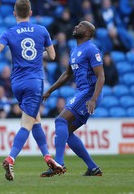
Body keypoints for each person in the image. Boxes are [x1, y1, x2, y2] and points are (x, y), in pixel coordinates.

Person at [0, 0, 59, 181]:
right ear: (30, 13)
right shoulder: (42, 30)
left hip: (17, 84)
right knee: (27, 123)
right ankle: (10, 158)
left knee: (35, 119)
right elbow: (52, 56)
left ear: (14, 13)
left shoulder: (9, 32)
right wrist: (38, 53)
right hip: (34, 82)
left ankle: (47, 157)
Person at [40, 21, 105, 177]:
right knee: (67, 133)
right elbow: (67, 74)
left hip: (89, 93)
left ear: (88, 33)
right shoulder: (75, 50)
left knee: (60, 121)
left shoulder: (91, 48)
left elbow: (101, 76)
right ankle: (93, 168)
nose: (76, 26)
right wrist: (50, 90)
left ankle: (59, 163)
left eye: (81, 25)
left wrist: (93, 99)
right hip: (82, 93)